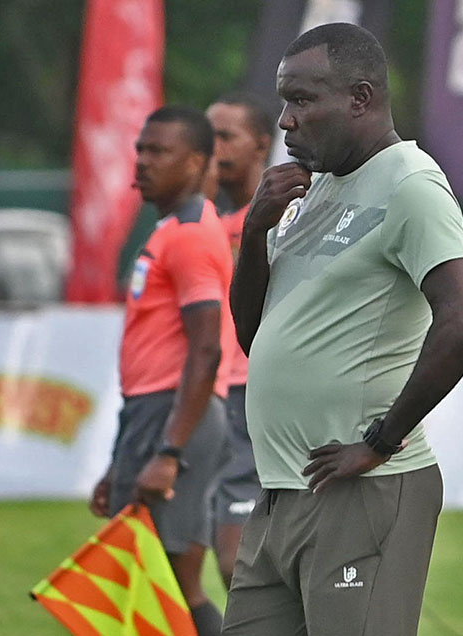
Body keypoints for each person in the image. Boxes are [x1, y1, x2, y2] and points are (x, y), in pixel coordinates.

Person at [222, 23, 463, 635]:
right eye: (284, 101)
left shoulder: (410, 185)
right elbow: (253, 338)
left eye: (303, 99)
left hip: (362, 492)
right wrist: (254, 233)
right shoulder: (315, 188)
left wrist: (381, 439)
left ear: (361, 98)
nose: (285, 121)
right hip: (282, 490)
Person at [88, 105, 232, 636]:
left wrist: (170, 451)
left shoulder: (193, 234)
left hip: (176, 416)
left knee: (169, 582)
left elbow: (205, 350)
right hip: (152, 414)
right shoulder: (171, 230)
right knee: (148, 581)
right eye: (141, 149)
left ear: (196, 162)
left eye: (159, 151)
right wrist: (117, 459)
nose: (143, 161)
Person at [206, 92, 273, 589]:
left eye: (226, 136)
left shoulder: (283, 221)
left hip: (254, 391)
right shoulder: (204, 226)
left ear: (262, 146)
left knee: (237, 563)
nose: (213, 148)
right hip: (210, 396)